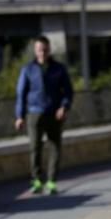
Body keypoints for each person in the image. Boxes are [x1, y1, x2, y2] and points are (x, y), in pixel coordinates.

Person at [14, 35, 73, 195]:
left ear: (49, 50)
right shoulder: (28, 70)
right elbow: (21, 93)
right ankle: (37, 180)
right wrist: (19, 116)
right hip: (34, 113)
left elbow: (68, 91)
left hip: (54, 114)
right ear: (35, 50)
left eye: (45, 50)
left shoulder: (58, 69)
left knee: (55, 147)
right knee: (35, 147)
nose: (43, 53)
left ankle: (52, 181)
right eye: (40, 50)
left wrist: (64, 107)